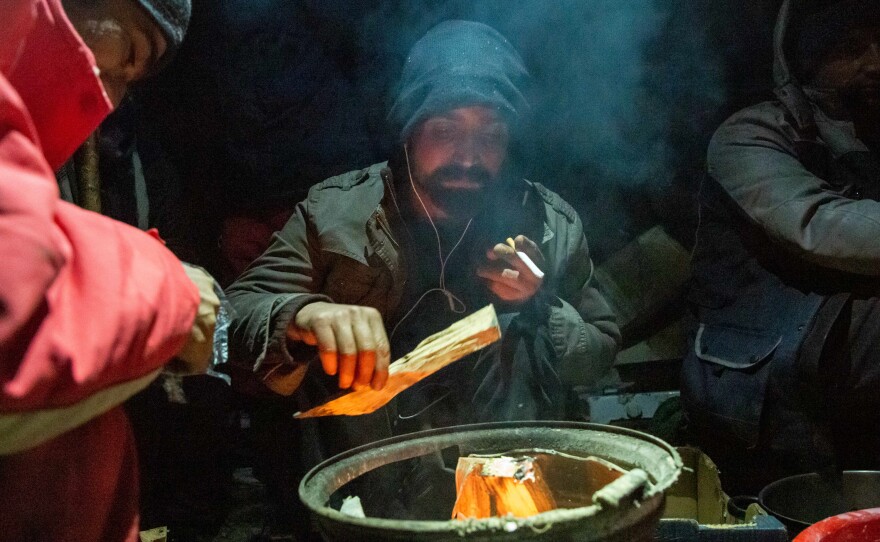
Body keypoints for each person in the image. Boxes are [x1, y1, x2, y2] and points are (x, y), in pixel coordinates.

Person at [226, 20, 619, 529]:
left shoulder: (548, 225)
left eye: (490, 133)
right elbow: (225, 320)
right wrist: (305, 316)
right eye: (445, 130)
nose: (468, 156)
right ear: (409, 131)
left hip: (511, 505)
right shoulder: (339, 216)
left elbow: (600, 348)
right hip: (362, 500)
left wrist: (537, 300)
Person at [0, 0, 219, 540]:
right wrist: (168, 284)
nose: (111, 98)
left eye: (135, 78)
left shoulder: (146, 163)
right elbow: (21, 317)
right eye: (131, 51)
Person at [684, 0, 880, 494]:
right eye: (852, 49)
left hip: (843, 367)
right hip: (758, 381)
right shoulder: (751, 135)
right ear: (806, 60)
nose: (875, 62)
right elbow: (816, 222)